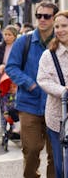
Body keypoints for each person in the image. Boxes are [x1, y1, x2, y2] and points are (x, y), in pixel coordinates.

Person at [5, 0, 59, 178]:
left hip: (56, 105)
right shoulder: (24, 41)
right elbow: (11, 67)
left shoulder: (61, 43)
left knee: (56, 154)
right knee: (31, 149)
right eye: (38, 15)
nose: (42, 19)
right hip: (29, 104)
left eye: (46, 16)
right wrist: (31, 84)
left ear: (54, 18)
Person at [37, 10, 68, 177]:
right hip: (58, 117)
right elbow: (42, 80)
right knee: (61, 165)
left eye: (64, 26)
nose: (60, 30)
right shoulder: (48, 55)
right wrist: (63, 91)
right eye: (57, 26)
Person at [0, 25, 19, 142]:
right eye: (5, 34)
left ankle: (13, 128)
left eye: (10, 35)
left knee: (13, 105)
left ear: (15, 36)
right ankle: (3, 128)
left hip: (15, 79)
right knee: (3, 105)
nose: (7, 37)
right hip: (3, 79)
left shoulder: (19, 47)